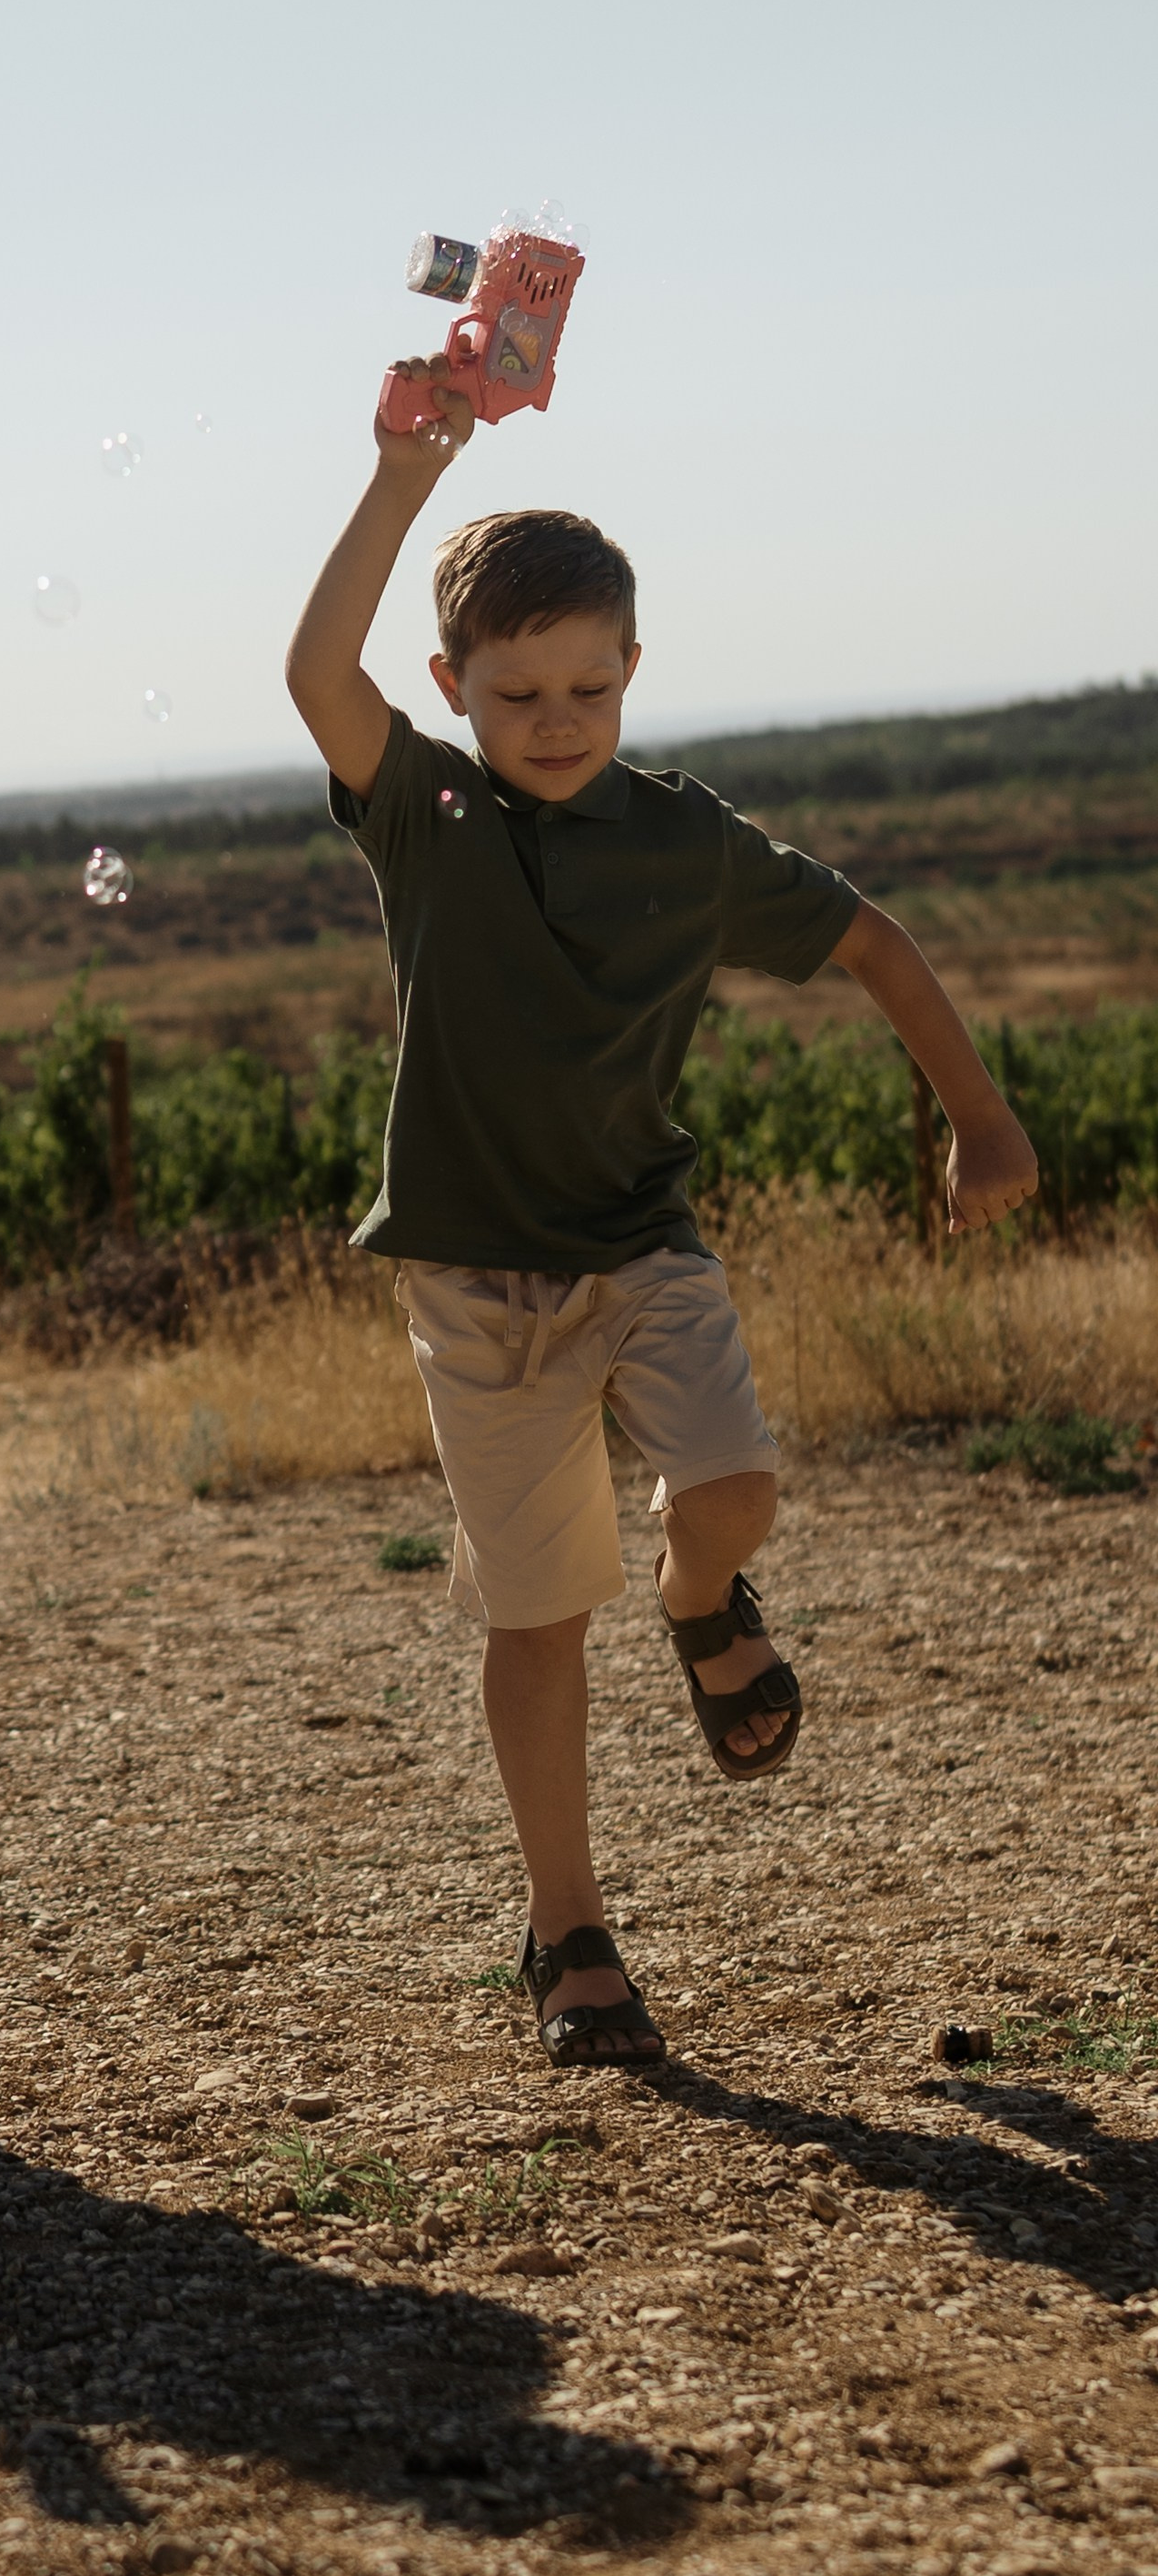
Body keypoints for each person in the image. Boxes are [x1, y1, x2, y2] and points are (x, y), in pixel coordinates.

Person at [283, 358, 1038, 2069]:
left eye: (586, 686)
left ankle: (702, 1599)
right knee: (539, 1614)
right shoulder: (430, 813)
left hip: (640, 1242)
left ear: (633, 671)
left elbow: (871, 941)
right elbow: (312, 670)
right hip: (476, 1289)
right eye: (520, 687)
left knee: (740, 1487)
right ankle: (570, 1933)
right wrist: (406, 475)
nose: (556, 717)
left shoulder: (688, 844)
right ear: (455, 688)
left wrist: (979, 1112)